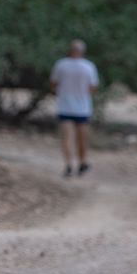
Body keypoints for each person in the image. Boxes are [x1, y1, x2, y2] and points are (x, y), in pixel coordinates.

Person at [49, 39, 99, 177]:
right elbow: (93, 87)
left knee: (66, 137)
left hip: (65, 106)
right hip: (82, 108)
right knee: (82, 138)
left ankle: (68, 165)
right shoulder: (88, 66)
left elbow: (53, 84)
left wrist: (60, 92)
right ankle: (82, 162)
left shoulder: (61, 65)